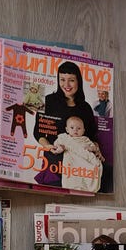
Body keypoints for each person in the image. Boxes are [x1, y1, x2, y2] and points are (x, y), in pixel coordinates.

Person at [33, 60, 106, 189]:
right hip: (56, 157)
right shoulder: (47, 101)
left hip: (81, 159)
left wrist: (96, 148)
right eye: (62, 79)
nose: (66, 85)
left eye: (71, 80)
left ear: (78, 81)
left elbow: (92, 136)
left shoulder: (86, 107)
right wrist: (49, 147)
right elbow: (38, 133)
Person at [50, 115, 103, 192]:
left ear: (83, 131)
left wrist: (91, 148)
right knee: (73, 176)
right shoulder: (64, 138)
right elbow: (56, 146)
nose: (75, 130)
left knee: (90, 171)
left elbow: (94, 147)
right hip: (72, 161)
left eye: (79, 128)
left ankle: (87, 187)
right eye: (72, 128)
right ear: (67, 129)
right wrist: (60, 148)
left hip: (85, 160)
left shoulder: (85, 139)